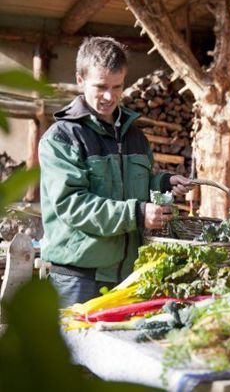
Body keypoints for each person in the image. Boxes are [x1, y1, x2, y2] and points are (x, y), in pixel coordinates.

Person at [39, 36, 193, 307]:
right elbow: (72, 204)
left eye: (117, 86)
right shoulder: (62, 138)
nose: (109, 96)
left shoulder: (135, 136)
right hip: (78, 280)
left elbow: (135, 185)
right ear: (80, 79)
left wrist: (165, 183)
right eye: (100, 87)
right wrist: (137, 214)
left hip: (128, 276)